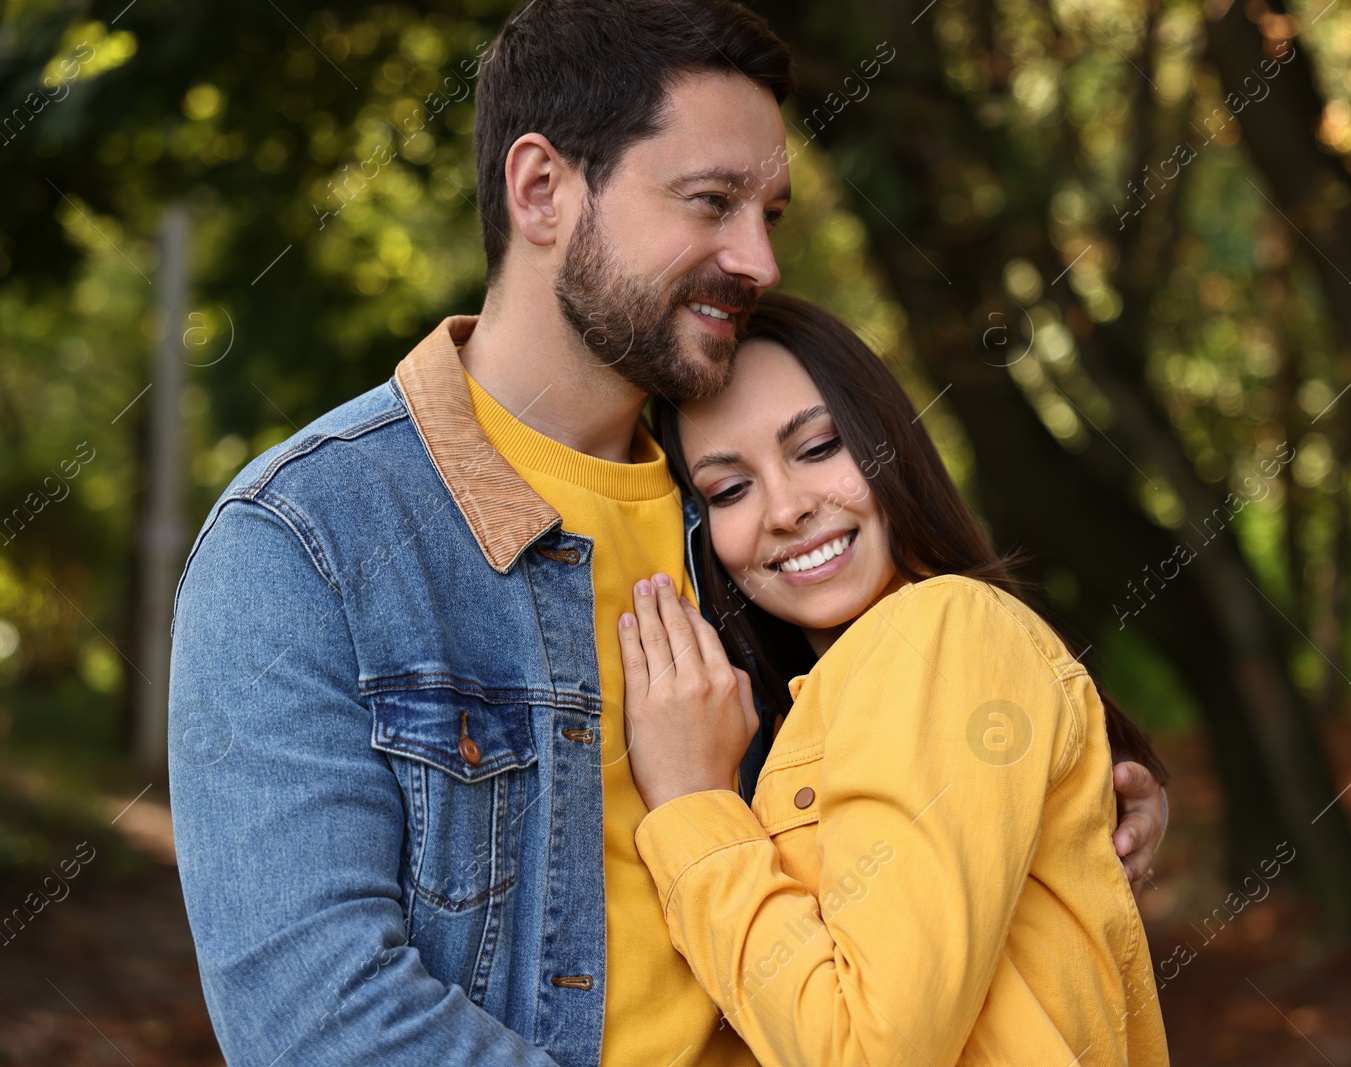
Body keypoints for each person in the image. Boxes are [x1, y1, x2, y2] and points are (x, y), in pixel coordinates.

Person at [167, 1, 1167, 1064]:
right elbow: (319, 1023)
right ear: (542, 189)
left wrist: (1066, 784)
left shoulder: (753, 533)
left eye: (770, 212)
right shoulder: (309, 538)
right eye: (712, 201)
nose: (759, 258)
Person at [619, 293, 1170, 1065]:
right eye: (728, 490)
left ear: (887, 444)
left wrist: (690, 809)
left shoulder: (940, 628)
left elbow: (869, 1050)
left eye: (818, 448)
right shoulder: (803, 714)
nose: (787, 507)